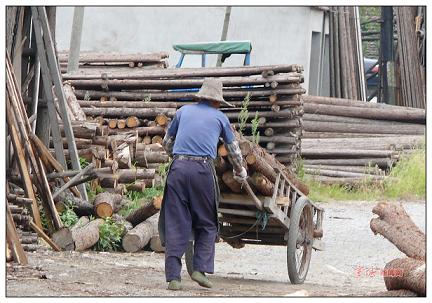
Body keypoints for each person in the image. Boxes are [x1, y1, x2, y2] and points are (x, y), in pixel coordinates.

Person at [158, 78, 247, 291]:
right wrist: (239, 171)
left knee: (176, 223)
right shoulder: (220, 118)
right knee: (207, 222)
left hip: (177, 170)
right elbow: (233, 149)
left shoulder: (182, 112)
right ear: (217, 101)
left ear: (201, 97)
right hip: (201, 170)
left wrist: (179, 158)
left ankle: (173, 278)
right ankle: (199, 269)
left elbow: (166, 143)